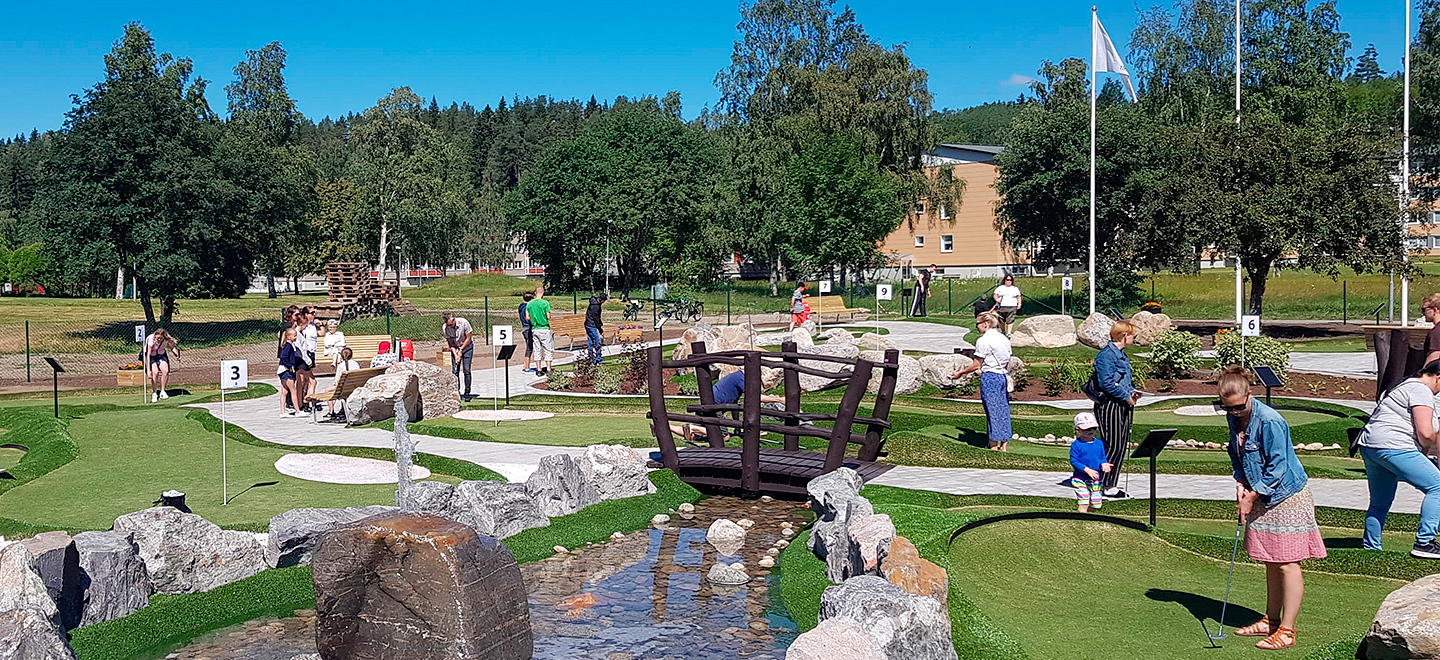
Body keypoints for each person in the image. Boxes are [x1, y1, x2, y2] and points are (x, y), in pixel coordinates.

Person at [1220, 365, 1325, 650]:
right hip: (1261, 493)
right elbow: (1236, 454)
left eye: (1239, 407)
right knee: (1271, 559)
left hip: (1287, 495)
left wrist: (1251, 496)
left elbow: (1278, 467)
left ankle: (1287, 631)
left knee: (1288, 562)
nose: (1234, 412)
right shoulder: (1234, 417)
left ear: (1249, 395)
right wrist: (1241, 483)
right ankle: (1271, 620)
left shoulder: (1270, 421)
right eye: (1228, 408)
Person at [1356, 359, 1440, 558]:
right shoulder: (1421, 390)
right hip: (1395, 446)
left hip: (1370, 446)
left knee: (1380, 501)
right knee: (1437, 487)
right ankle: (1425, 542)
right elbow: (1426, 432)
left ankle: (1371, 549)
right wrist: (1425, 450)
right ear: (1438, 377)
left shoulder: (1403, 385)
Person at [668, 369, 786, 444]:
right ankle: (694, 428)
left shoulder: (736, 378)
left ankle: (668, 427)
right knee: (724, 436)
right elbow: (756, 397)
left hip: (702, 404)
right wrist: (779, 399)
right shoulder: (742, 379)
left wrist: (737, 427)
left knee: (695, 436)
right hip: (713, 407)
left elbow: (734, 406)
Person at [1094, 320, 1142, 499]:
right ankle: (1101, 483)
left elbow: (1123, 381)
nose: (1134, 339)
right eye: (1133, 336)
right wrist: (1125, 396)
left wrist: (1132, 393)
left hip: (1123, 404)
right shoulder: (1106, 355)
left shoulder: (1122, 355)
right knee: (1112, 445)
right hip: (1109, 405)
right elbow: (1106, 383)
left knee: (1120, 445)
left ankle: (1111, 484)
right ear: (1124, 336)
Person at [951, 311, 1012, 451]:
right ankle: (1004, 444)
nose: (977, 327)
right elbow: (1007, 361)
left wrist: (961, 373)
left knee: (992, 410)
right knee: (1003, 409)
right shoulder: (1004, 338)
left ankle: (993, 445)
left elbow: (976, 364)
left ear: (985, 324)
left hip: (990, 376)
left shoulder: (983, 341)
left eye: (977, 324)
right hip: (1002, 375)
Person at [1069, 412, 1111, 512]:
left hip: (1096, 478)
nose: (1091, 431)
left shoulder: (1099, 443)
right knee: (1083, 500)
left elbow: (1102, 457)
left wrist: (1104, 463)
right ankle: (1081, 516)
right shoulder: (1076, 445)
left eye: (1093, 428)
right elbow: (1074, 461)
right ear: (1078, 429)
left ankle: (1088, 514)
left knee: (1096, 505)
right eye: (1087, 429)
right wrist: (1087, 470)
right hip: (1080, 478)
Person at [443, 313, 475, 401]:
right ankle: (456, 393)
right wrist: (455, 354)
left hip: (467, 347)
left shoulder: (464, 323)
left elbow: (468, 338)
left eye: (451, 324)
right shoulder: (445, 328)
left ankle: (467, 393)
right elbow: (450, 343)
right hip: (455, 347)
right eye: (448, 325)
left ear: (454, 319)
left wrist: (461, 350)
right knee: (455, 371)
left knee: (466, 370)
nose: (450, 327)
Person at [324, 346, 361, 417]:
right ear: (351, 355)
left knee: (327, 390)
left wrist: (334, 384)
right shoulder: (356, 364)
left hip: (343, 389)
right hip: (354, 387)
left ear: (341, 356)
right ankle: (342, 409)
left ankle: (331, 411)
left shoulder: (341, 366)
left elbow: (337, 381)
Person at [143, 328, 179, 402]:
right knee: (155, 372)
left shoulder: (166, 339)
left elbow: (172, 348)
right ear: (155, 336)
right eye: (157, 338)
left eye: (161, 338)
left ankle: (162, 391)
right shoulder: (150, 339)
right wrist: (148, 370)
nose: (159, 340)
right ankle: (154, 393)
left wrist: (177, 355)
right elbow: (148, 355)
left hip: (161, 355)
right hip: (152, 356)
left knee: (165, 371)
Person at [295, 308, 318, 412]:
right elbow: (301, 350)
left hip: (301, 360)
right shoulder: (298, 334)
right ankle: (308, 403)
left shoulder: (298, 333)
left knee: (301, 383)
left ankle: (302, 404)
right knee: (312, 381)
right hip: (302, 361)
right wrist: (308, 361)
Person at [528, 286, 554, 375]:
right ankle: (548, 368)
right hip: (544, 328)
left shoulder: (530, 304)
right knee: (548, 349)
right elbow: (548, 316)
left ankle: (538, 369)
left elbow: (527, 317)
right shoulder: (545, 303)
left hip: (535, 328)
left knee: (537, 349)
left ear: (535, 293)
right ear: (543, 293)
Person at [278, 328, 303, 417]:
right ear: (288, 337)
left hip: (282, 370)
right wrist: (289, 367)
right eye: (294, 336)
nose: (296, 337)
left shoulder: (288, 345)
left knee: (284, 391)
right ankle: (297, 410)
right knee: (293, 390)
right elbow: (283, 357)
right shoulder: (288, 346)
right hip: (286, 371)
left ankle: (282, 412)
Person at [585, 292, 608, 365]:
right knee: (597, 342)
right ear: (602, 300)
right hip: (592, 325)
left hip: (588, 324)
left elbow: (597, 318)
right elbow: (596, 319)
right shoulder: (596, 307)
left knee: (590, 343)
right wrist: (600, 330)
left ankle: (591, 359)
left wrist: (600, 325)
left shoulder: (594, 303)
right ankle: (598, 359)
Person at [519, 291, 535, 373]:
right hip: (528, 328)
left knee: (529, 347)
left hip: (524, 327)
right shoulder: (528, 307)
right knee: (529, 347)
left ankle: (526, 366)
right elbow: (528, 318)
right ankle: (527, 367)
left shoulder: (521, 306)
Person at [1423, 294, 1440, 365]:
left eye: (1424, 309)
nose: (1423, 313)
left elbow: (1434, 356)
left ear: (1435, 310)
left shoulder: (1436, 332)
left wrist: (1423, 370)